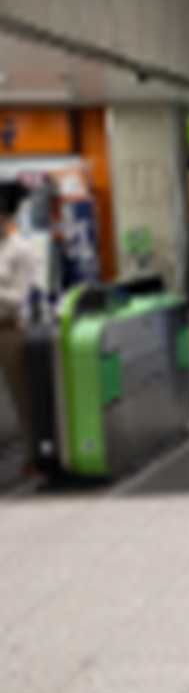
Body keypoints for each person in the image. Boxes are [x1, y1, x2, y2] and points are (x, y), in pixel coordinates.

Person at [0, 182, 38, 475]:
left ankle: (33, 456)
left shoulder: (22, 251)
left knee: (22, 395)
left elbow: (18, 298)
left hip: (9, 331)